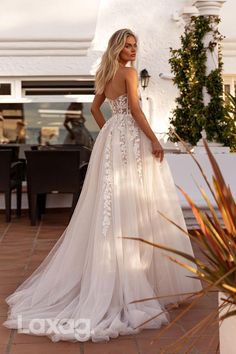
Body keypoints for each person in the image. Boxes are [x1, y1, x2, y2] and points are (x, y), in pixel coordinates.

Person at [3, 29, 202, 342]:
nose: (134, 50)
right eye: (128, 45)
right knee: (136, 199)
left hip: (111, 142)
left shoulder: (105, 73)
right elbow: (135, 110)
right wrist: (154, 139)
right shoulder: (129, 73)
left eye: (136, 45)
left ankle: (119, 274)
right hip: (130, 139)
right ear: (118, 48)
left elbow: (96, 109)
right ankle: (135, 280)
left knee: (112, 199)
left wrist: (109, 130)